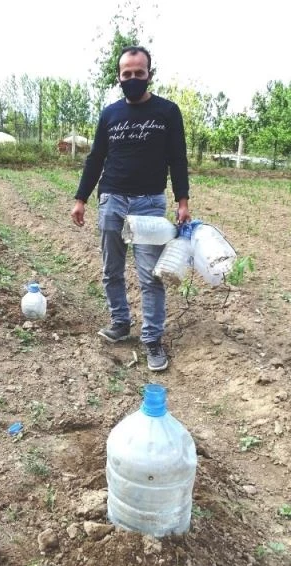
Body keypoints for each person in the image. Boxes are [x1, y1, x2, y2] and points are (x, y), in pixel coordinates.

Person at [71, 45, 190, 372]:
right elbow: (96, 158)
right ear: (119, 77)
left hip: (150, 203)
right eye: (127, 74)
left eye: (139, 73)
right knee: (112, 269)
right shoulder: (109, 114)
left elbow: (178, 158)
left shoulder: (167, 112)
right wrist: (81, 198)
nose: (133, 78)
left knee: (151, 276)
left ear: (149, 73)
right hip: (113, 199)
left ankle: (152, 339)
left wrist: (182, 200)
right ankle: (120, 322)